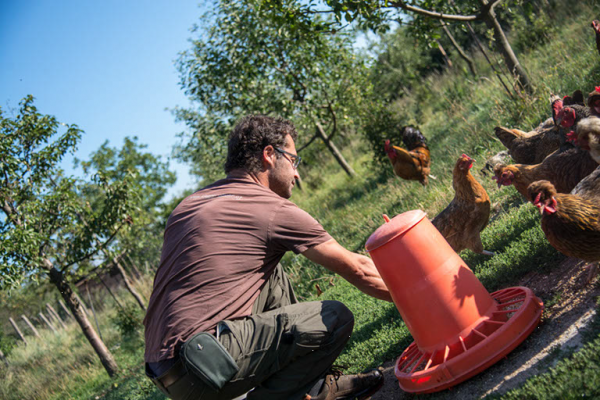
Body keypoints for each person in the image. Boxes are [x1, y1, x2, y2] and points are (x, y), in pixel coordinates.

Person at [144, 115, 393, 400]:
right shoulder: (270, 209)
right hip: (206, 365)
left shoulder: (188, 205)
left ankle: (314, 388)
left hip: (170, 372)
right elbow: (359, 270)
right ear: (270, 155)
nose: (297, 174)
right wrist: (420, 296)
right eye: (294, 161)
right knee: (334, 319)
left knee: (270, 272)